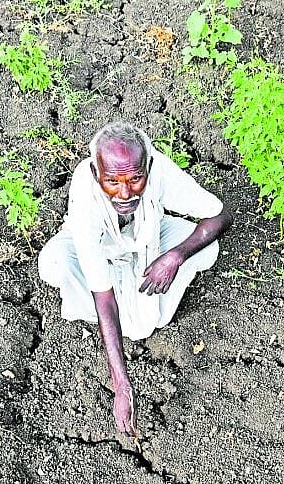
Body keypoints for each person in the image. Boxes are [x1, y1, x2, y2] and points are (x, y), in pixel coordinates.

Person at [38, 122, 232, 437]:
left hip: (147, 239)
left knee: (149, 319)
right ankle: (104, 313)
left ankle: (137, 286)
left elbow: (220, 216)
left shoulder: (160, 172)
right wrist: (122, 387)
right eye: (112, 182)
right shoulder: (85, 196)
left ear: (148, 166)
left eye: (135, 179)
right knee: (53, 264)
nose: (125, 192)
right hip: (99, 248)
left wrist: (174, 257)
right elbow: (104, 297)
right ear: (96, 174)